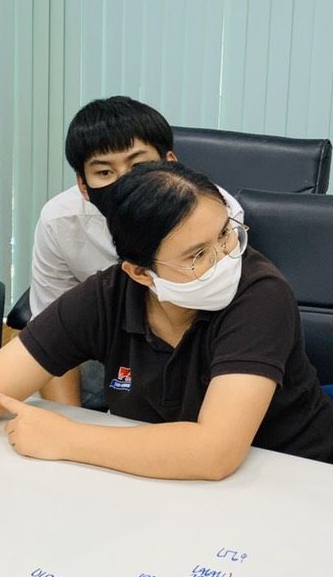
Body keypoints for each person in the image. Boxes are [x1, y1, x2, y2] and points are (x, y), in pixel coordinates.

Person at [0, 161, 333, 516]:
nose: (225, 259)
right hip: (182, 498)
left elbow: (214, 450)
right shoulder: (108, 296)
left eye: (226, 235)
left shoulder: (259, 293)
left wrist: (67, 438)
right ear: (140, 273)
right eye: (198, 255)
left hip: (305, 492)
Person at [29, 96, 241, 407]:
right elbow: (51, 336)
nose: (126, 183)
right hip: (108, 354)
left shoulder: (216, 213)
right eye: (104, 172)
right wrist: (66, 420)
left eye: (139, 166)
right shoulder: (59, 222)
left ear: (171, 164)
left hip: (201, 353)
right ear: (83, 185)